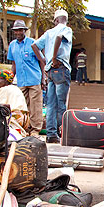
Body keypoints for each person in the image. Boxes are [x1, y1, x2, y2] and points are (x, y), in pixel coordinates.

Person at [32, 9, 73, 144]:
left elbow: (35, 45)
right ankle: (64, 134)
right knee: (61, 104)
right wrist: (54, 58)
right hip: (61, 67)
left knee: (50, 104)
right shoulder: (66, 29)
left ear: (55, 20)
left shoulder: (48, 32)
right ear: (65, 20)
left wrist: (45, 60)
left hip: (50, 70)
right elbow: (59, 38)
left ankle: (51, 135)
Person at [7, 20, 44, 137]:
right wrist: (10, 78)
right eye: (16, 30)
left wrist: (44, 78)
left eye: (20, 30)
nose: (18, 32)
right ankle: (24, 128)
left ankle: (35, 130)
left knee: (36, 106)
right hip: (21, 81)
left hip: (34, 79)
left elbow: (42, 61)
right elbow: (14, 64)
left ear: (24, 31)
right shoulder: (12, 45)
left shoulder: (33, 43)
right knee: (22, 106)